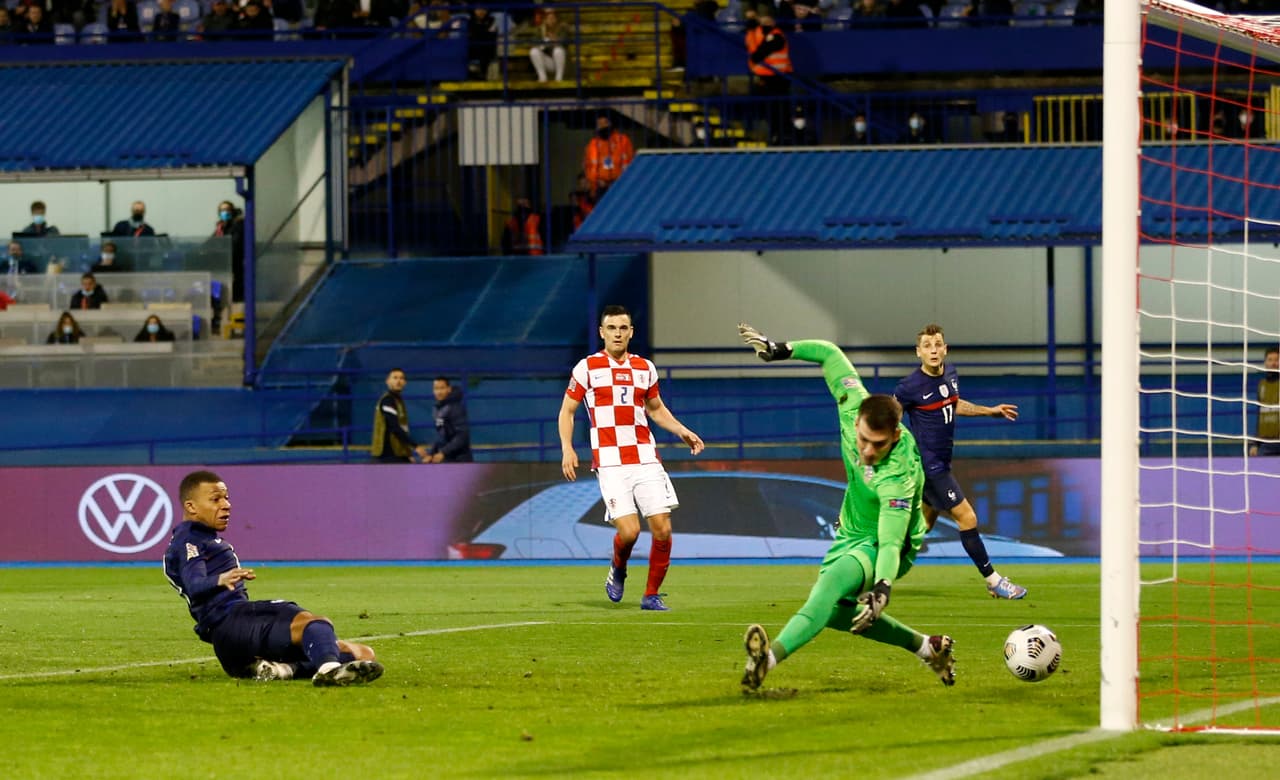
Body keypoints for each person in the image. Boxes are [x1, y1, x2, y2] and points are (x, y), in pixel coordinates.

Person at [735, 322, 955, 692]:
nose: (867, 451)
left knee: (826, 591)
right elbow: (829, 352)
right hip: (852, 529)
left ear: (896, 437)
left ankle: (765, 662)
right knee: (837, 614)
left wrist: (883, 586)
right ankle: (927, 647)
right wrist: (782, 349)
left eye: (878, 445)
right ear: (857, 421)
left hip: (891, 543)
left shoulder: (898, 475)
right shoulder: (852, 402)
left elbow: (888, 541)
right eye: (864, 440)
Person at [163, 470, 385, 685]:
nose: (226, 505)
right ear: (191, 506)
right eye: (216, 499)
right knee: (315, 624)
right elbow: (194, 584)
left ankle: (282, 670)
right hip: (232, 622)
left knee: (363, 654)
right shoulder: (189, 540)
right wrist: (220, 579)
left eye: (226, 498)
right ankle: (329, 671)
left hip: (232, 649)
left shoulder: (201, 538)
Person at [559, 305, 705, 611]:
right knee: (630, 532)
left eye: (623, 328)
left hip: (645, 457)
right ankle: (619, 567)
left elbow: (655, 409)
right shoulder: (586, 368)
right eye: (611, 328)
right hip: (610, 462)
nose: (617, 333)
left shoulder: (645, 368)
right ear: (602, 332)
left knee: (662, 527)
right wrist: (567, 448)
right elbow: (567, 411)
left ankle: (651, 595)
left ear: (631, 332)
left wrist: (682, 430)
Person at [894, 323, 1027, 599]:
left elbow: (953, 403)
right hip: (930, 467)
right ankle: (993, 580)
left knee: (921, 528)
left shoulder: (950, 374)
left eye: (938, 344)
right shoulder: (909, 387)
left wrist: (988, 411)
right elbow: (890, 418)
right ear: (918, 352)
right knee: (967, 517)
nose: (933, 350)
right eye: (927, 346)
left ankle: (870, 571)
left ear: (945, 349)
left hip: (943, 462)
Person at [371, 367, 429, 463]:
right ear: (387, 381)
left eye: (401, 378)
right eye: (395, 378)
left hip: (397, 453)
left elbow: (403, 429)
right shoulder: (388, 400)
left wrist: (407, 453)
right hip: (387, 455)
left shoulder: (398, 400)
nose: (398, 381)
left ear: (405, 383)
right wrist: (415, 446)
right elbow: (394, 427)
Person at [583, 114, 635, 199]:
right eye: (599, 124)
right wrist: (596, 181)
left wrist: (618, 181)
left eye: (605, 123)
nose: (602, 126)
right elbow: (588, 166)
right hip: (599, 187)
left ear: (611, 124)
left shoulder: (623, 141)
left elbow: (631, 162)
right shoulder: (593, 144)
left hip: (621, 185)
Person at [427, 376, 473, 463]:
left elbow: (462, 436)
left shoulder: (456, 408)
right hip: (447, 458)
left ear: (449, 389)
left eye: (442, 388)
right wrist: (431, 453)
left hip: (460, 460)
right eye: (436, 388)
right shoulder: (437, 408)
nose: (439, 392)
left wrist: (443, 452)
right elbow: (440, 435)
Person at [212, 200, 246, 302]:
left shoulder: (238, 225)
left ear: (232, 211)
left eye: (227, 210)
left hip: (235, 264)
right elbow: (211, 242)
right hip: (223, 264)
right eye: (222, 210)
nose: (224, 212)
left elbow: (234, 245)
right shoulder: (221, 227)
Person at [1250, 346, 1280, 456]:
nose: (1273, 363)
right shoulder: (1261, 385)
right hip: (1266, 445)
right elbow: (1260, 415)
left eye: (1277, 360)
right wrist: (1255, 444)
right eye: (1270, 360)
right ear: (1265, 363)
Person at [528, 7, 567, 82]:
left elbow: (564, 42)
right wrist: (544, 42)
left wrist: (555, 40)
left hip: (561, 62)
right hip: (548, 62)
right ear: (545, 19)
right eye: (548, 18)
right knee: (533, 51)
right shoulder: (540, 29)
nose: (551, 20)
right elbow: (533, 42)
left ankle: (559, 79)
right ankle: (542, 78)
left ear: (556, 18)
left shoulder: (562, 27)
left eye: (553, 17)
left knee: (558, 51)